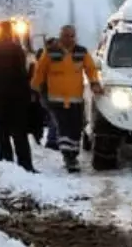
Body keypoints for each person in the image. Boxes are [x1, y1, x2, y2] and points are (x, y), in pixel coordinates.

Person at [31, 25, 102, 173]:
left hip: (76, 99)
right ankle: (69, 158)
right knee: (64, 128)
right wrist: (35, 88)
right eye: (65, 36)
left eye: (71, 36)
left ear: (75, 37)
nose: (68, 39)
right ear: (60, 36)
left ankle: (73, 154)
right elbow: (40, 71)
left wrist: (94, 83)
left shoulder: (81, 52)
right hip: (56, 100)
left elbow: (91, 69)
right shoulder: (50, 53)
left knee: (76, 129)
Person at [0, 22, 37, 172]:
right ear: (10, 33)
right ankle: (25, 165)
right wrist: (26, 94)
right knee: (20, 133)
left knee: (2, 132)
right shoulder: (16, 49)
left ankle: (6, 163)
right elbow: (21, 74)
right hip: (16, 98)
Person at [32, 38, 60, 149]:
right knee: (55, 117)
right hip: (49, 94)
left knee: (54, 117)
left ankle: (54, 139)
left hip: (47, 94)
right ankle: (52, 141)